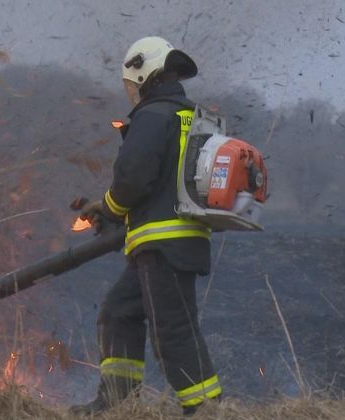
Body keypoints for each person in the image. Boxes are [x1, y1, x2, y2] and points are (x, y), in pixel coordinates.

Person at [72, 36, 221, 416]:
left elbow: (133, 180)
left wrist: (107, 206)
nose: (130, 93)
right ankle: (117, 403)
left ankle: (207, 409)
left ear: (141, 73)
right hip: (173, 242)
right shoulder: (189, 115)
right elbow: (162, 180)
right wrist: (110, 210)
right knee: (119, 311)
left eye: (129, 84)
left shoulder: (153, 116)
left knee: (173, 331)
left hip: (163, 244)